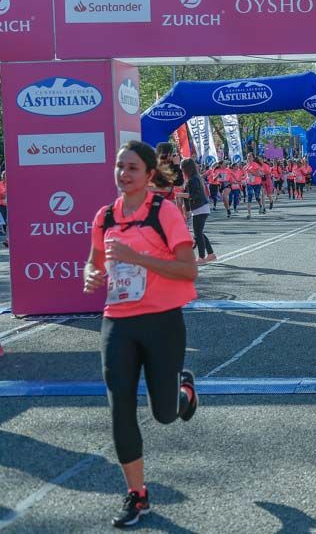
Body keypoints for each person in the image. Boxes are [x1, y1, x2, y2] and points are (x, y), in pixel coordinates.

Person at [82, 141, 199, 528]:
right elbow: (94, 264)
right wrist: (91, 276)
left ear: (150, 174)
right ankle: (137, 495)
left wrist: (137, 259)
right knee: (120, 408)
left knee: (164, 415)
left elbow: (187, 270)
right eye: (119, 167)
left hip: (162, 321)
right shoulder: (104, 217)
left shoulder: (163, 212)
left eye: (132, 168)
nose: (123, 174)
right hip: (118, 322)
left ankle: (183, 391)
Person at [181, 158, 216, 265]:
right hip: (200, 208)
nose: (181, 170)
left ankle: (201, 257)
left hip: (200, 208)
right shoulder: (193, 178)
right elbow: (189, 197)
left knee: (198, 234)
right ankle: (210, 254)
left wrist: (179, 194)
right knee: (199, 232)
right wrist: (186, 209)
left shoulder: (194, 179)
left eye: (182, 168)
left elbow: (194, 195)